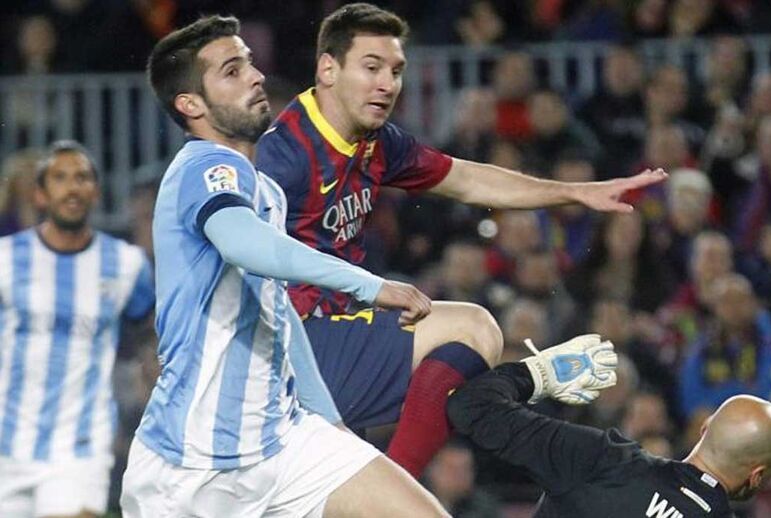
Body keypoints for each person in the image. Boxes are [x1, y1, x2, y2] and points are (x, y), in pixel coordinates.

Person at [255, 1, 667, 477]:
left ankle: (385, 488)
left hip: (336, 335)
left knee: (336, 478)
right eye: (371, 67)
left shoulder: (376, 142)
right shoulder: (283, 155)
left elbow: (468, 179)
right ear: (328, 69)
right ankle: (396, 489)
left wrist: (574, 192)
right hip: (294, 343)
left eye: (396, 70)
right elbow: (240, 256)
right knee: (472, 328)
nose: (387, 83)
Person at [121, 15, 447, 516]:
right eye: (232, 71)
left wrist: (329, 422)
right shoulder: (200, 168)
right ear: (190, 104)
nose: (255, 77)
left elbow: (278, 315)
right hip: (192, 467)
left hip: (285, 440)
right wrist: (367, 285)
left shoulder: (266, 190)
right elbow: (242, 243)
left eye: (249, 63)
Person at [447, 341, 771, 517]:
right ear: (757, 475)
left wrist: (538, 374)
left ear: (704, 429)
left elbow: (469, 406)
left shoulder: (603, 460)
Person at [0, 141, 156, 518]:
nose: (72, 187)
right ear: (40, 194)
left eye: (82, 178)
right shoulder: (5, 259)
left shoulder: (126, 264)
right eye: (60, 178)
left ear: (96, 192)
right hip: (6, 445)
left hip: (81, 449)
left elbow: (149, 338)